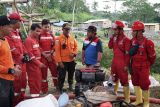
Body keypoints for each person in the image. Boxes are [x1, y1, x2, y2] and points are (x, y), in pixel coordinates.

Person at [129, 20, 156, 107]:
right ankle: (138, 100)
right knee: (135, 82)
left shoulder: (148, 43)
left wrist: (146, 66)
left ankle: (146, 102)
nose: (132, 32)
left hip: (143, 67)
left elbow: (152, 57)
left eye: (134, 31)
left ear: (140, 31)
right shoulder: (132, 41)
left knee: (144, 84)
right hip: (134, 66)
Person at [5, 12, 28, 105]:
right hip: (15, 63)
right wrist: (22, 56)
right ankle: (15, 103)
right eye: (20, 21)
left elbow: (21, 45)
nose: (21, 23)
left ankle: (21, 101)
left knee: (23, 83)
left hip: (21, 62)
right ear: (15, 22)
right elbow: (12, 49)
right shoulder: (8, 33)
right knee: (16, 85)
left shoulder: (17, 32)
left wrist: (26, 54)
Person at [0, 15, 21, 107]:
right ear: (1, 27)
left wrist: (14, 65)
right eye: (8, 26)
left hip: (8, 79)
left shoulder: (4, 40)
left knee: (9, 102)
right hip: (2, 80)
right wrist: (11, 70)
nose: (11, 29)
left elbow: (6, 58)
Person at [108, 20, 131, 103]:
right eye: (114, 30)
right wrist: (111, 37)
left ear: (121, 29)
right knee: (114, 79)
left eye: (115, 29)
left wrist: (126, 65)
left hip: (122, 62)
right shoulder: (114, 38)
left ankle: (127, 99)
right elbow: (110, 46)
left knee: (124, 81)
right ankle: (114, 95)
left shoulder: (127, 40)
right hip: (115, 62)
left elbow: (128, 54)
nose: (114, 31)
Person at [24, 24, 46, 97]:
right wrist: (39, 63)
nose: (38, 33)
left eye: (39, 31)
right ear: (31, 30)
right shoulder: (28, 40)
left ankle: (36, 95)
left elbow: (38, 50)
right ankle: (34, 97)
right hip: (32, 66)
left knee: (38, 80)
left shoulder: (35, 40)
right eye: (37, 31)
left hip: (37, 65)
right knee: (34, 81)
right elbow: (30, 54)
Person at [55, 23, 78, 92]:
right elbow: (57, 51)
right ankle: (60, 88)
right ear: (62, 29)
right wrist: (59, 62)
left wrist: (74, 54)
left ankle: (70, 86)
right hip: (63, 61)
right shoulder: (58, 39)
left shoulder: (73, 38)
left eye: (69, 29)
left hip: (71, 61)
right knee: (61, 76)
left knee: (71, 75)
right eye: (66, 29)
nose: (67, 30)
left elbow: (76, 47)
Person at [39, 19, 58, 94]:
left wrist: (51, 53)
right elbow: (38, 46)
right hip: (43, 57)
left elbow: (54, 46)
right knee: (43, 73)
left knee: (54, 71)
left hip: (51, 56)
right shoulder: (39, 35)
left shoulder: (51, 35)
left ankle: (57, 86)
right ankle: (44, 90)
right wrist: (45, 54)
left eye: (48, 27)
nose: (47, 28)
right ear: (42, 26)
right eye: (45, 27)